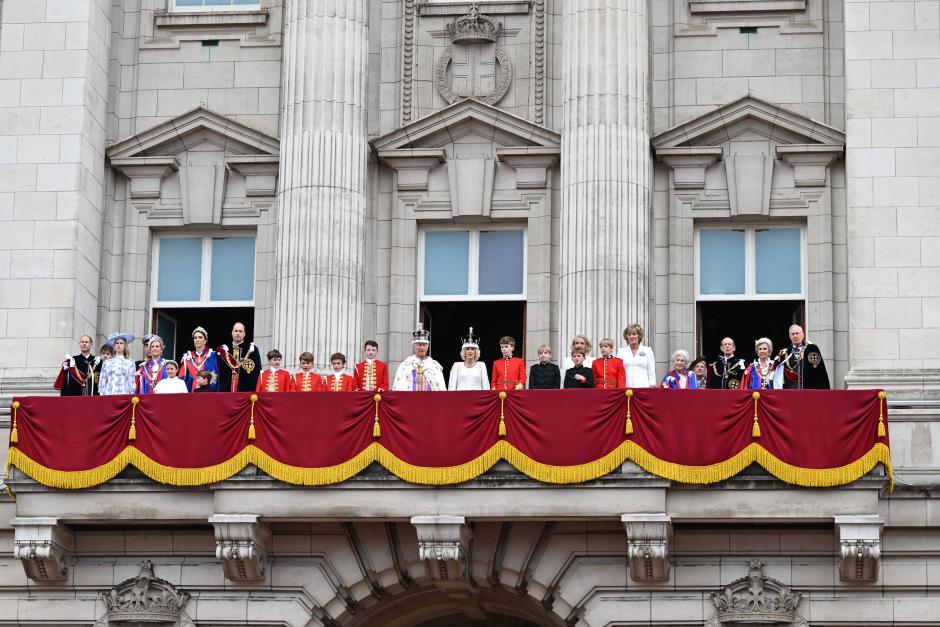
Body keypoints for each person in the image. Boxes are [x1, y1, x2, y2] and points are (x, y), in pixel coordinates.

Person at [773, 324, 830, 389]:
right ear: (789, 336)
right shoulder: (785, 353)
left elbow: (819, 372)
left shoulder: (812, 349)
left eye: (797, 333)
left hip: (808, 390)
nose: (795, 336)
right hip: (790, 392)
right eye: (793, 334)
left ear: (803, 334)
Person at [392, 323, 446, 391]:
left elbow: (441, 389)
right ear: (414, 346)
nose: (422, 347)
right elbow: (398, 389)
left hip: (431, 400)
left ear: (428, 346)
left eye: (424, 345)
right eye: (419, 345)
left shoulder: (434, 366)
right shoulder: (405, 365)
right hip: (411, 400)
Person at [217, 322, 262, 392]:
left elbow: (257, 371)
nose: (238, 333)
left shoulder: (252, 349)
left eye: (240, 331)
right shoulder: (224, 350)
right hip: (226, 391)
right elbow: (219, 371)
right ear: (232, 333)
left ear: (244, 334)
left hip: (246, 391)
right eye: (236, 331)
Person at [179, 326, 219, 392]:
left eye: (200, 337)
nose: (197, 339)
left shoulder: (213, 356)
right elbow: (182, 378)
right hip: (191, 393)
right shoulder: (188, 357)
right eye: (195, 338)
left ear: (205, 340)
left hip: (209, 393)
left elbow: (218, 376)